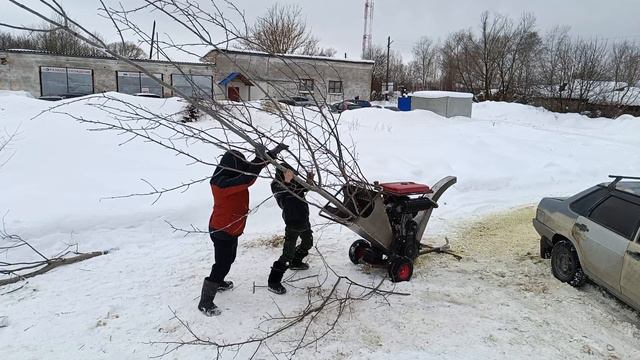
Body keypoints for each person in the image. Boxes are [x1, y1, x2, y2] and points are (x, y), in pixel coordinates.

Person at [198, 144, 287, 316]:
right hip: (221, 229)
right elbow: (248, 179)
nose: (242, 166)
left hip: (232, 228)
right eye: (240, 163)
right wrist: (258, 160)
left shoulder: (232, 172)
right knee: (222, 264)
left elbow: (252, 166)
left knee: (228, 259)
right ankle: (205, 302)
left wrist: (270, 154)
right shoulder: (220, 183)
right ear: (233, 166)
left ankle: (220, 281)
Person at [267, 163, 315, 295]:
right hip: (292, 221)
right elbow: (282, 194)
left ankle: (296, 262)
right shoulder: (276, 185)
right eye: (288, 173)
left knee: (308, 243)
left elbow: (306, 188)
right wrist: (287, 181)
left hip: (304, 218)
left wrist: (309, 180)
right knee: (287, 253)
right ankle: (273, 282)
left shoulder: (294, 182)